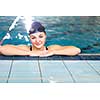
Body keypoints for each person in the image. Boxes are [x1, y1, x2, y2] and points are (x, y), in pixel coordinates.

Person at [0, 21, 81, 57]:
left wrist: (53, 52)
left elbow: (76, 50)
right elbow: (2, 49)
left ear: (45, 36)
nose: (38, 41)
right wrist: (29, 53)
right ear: (30, 39)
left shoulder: (51, 48)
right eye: (33, 38)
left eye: (41, 36)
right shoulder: (26, 49)